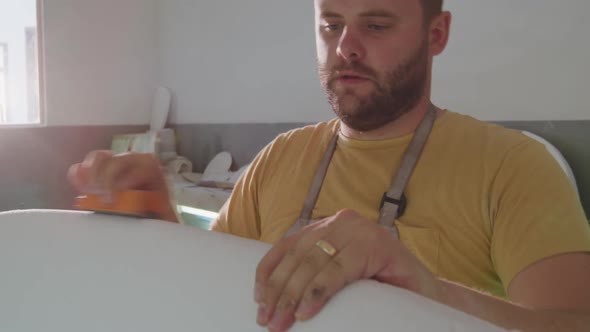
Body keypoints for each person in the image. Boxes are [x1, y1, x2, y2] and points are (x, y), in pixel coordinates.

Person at [68, 0, 590, 331]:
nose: (346, 48)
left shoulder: (514, 167)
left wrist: (426, 291)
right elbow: (214, 301)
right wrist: (161, 230)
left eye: (377, 24)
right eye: (330, 24)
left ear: (437, 34)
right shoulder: (278, 160)